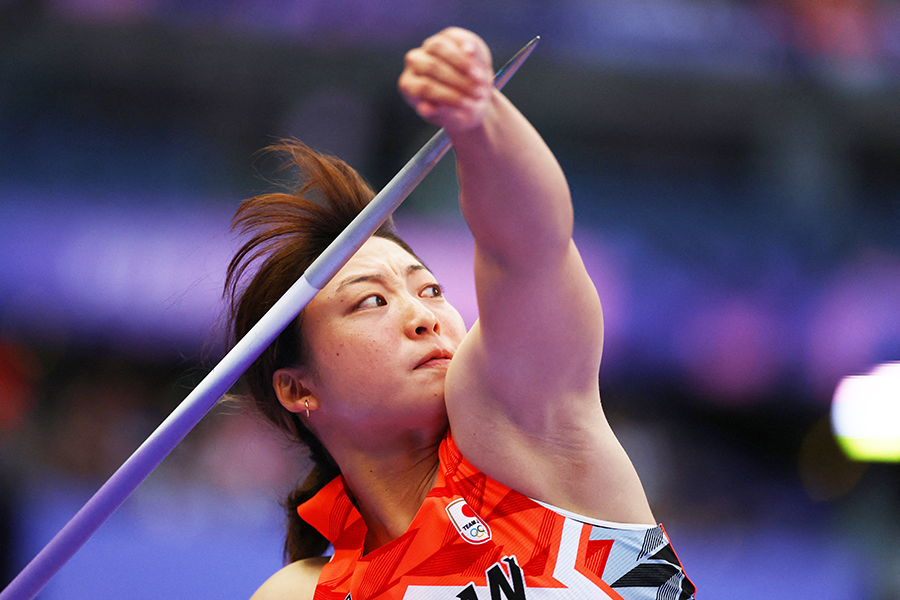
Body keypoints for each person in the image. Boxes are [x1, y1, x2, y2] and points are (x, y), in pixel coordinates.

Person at [226, 27, 694, 600]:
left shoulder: (519, 427)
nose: (423, 318)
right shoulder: (301, 593)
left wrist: (479, 121)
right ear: (299, 388)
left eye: (429, 291)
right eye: (371, 300)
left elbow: (529, 247)